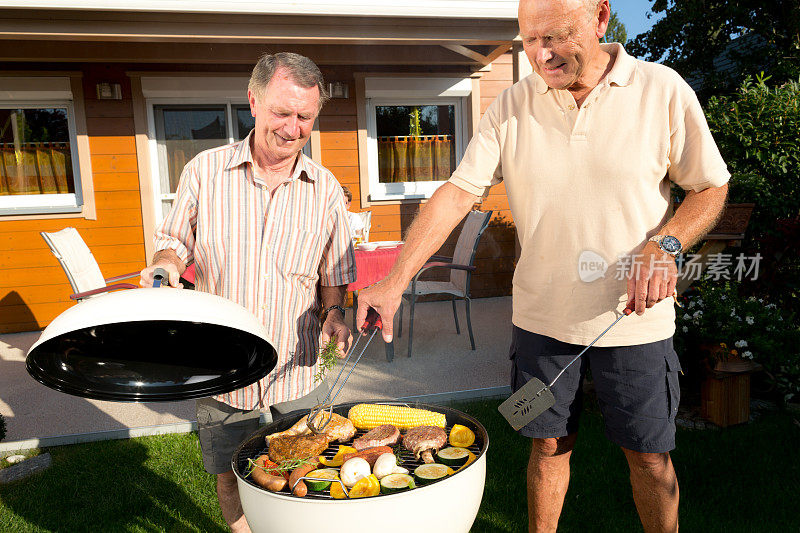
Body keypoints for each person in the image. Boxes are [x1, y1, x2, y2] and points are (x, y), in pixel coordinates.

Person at [356, 1, 729, 531]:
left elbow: (711, 187)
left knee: (649, 456)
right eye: (529, 40)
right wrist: (394, 282)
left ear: (600, 18)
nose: (541, 54)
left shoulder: (663, 90)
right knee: (547, 445)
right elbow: (458, 193)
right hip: (541, 325)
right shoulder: (510, 105)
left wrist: (666, 243)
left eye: (556, 37)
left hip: (635, 323)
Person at [140, 52, 356, 533]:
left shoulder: (324, 189)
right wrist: (166, 265)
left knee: (312, 470)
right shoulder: (204, 171)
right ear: (254, 101)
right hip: (223, 369)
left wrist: (335, 314)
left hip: (295, 367)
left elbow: (334, 273)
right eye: (283, 112)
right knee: (230, 474)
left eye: (305, 117)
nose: (293, 128)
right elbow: (174, 244)